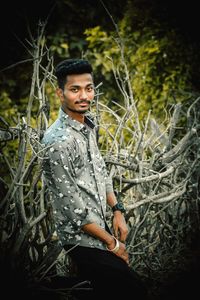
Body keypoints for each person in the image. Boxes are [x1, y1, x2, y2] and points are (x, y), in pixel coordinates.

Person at [41, 58, 148, 299]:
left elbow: (100, 171)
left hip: (102, 228)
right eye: (75, 89)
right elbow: (74, 211)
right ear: (60, 93)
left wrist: (117, 210)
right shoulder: (58, 142)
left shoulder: (88, 125)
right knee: (134, 291)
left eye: (88, 88)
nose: (84, 96)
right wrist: (114, 245)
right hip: (81, 239)